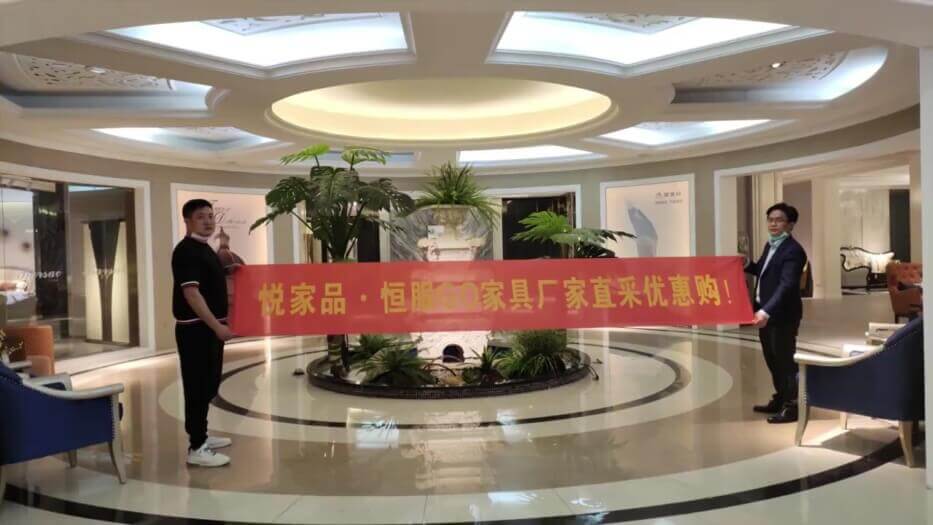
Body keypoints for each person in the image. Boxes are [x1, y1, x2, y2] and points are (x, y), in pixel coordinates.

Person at [172, 199, 236, 467]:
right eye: (201, 217)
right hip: (196, 330)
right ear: (187, 221)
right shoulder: (186, 251)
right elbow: (192, 294)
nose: (208, 221)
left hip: (209, 330)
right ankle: (196, 446)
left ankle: (203, 434)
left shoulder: (204, 248)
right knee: (197, 387)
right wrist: (217, 326)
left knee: (209, 383)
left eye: (211, 216)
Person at [745, 202, 808, 424]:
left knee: (785, 362)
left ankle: (793, 406)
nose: (773, 224)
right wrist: (747, 264)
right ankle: (781, 398)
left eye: (779, 220)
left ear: (790, 225)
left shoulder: (793, 251)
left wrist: (766, 311)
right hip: (765, 314)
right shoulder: (770, 245)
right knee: (772, 360)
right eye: (770, 220)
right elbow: (762, 271)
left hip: (781, 316)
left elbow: (787, 285)